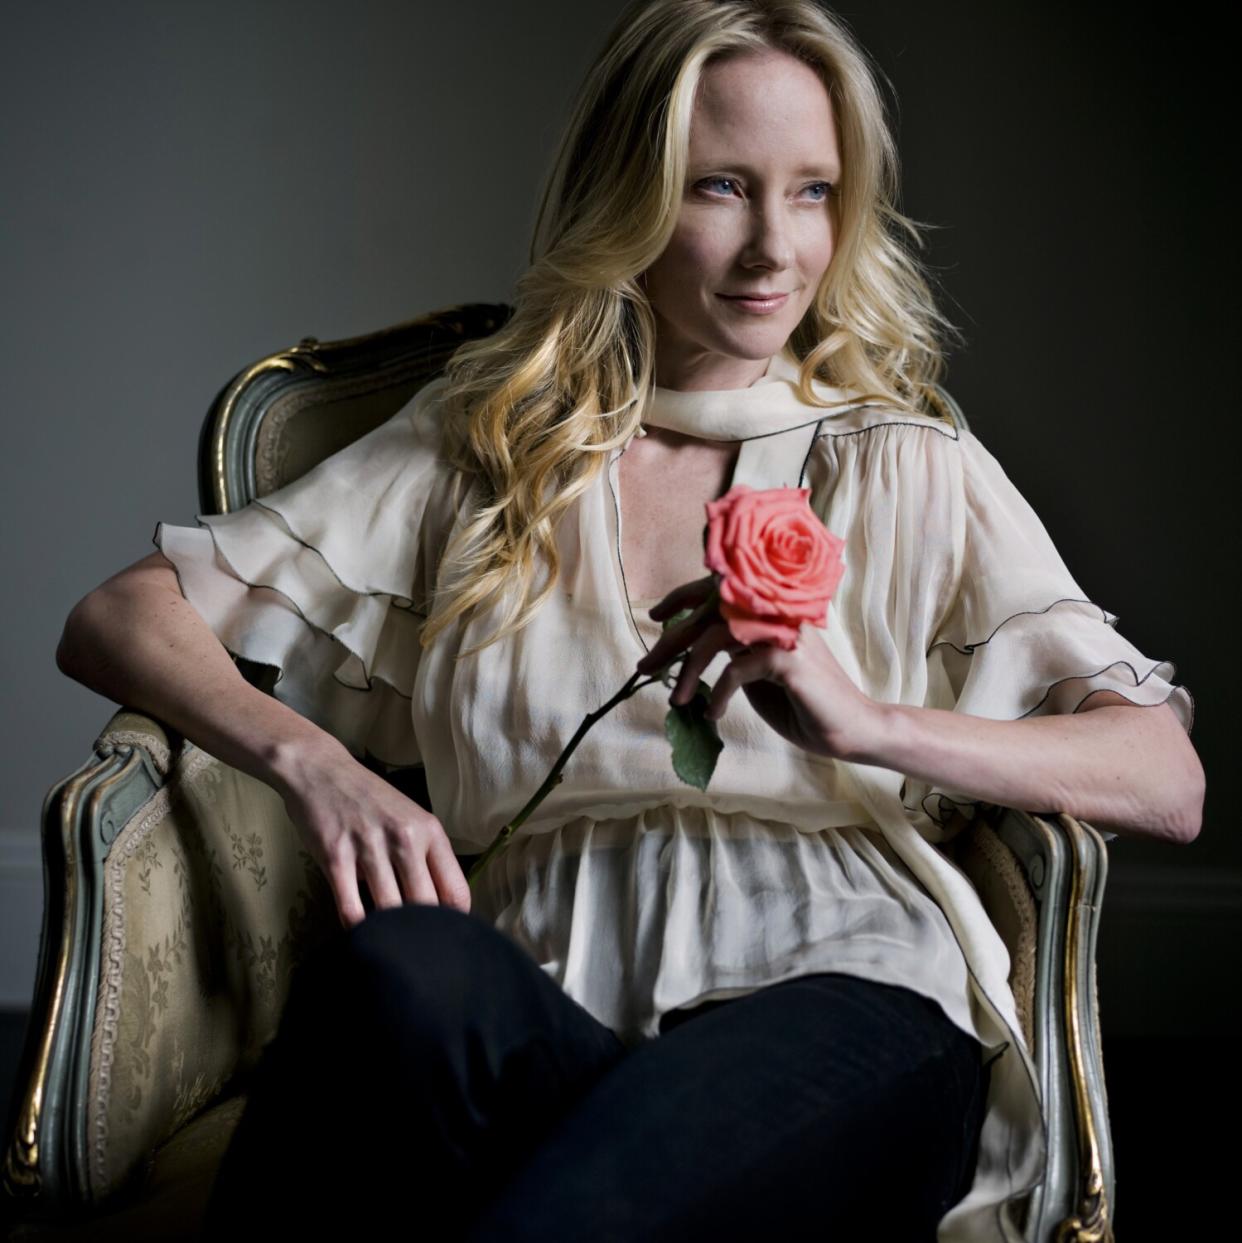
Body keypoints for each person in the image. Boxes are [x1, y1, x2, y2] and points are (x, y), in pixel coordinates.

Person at [56, 1, 1203, 1239]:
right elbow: (122, 614)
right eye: (722, 185)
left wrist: (871, 722)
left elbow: (1163, 775)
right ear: (631, 195)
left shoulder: (906, 460)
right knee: (390, 973)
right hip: (552, 1013)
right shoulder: (488, 447)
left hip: (847, 1007)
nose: (776, 248)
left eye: (813, 192)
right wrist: (317, 766)